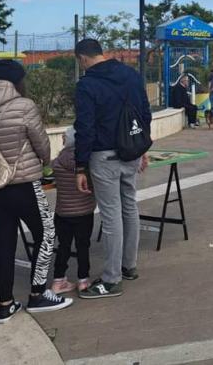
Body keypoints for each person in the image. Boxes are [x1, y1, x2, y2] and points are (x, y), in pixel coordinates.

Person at [0, 59, 72, 323]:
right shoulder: (24, 105)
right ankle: (37, 294)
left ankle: (5, 305)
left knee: (3, 242)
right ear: (18, 79)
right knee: (46, 234)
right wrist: (46, 162)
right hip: (24, 183)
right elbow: (41, 144)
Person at [74, 39, 151, 299]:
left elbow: (84, 128)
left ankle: (111, 279)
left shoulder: (87, 84)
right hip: (131, 151)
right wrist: (143, 147)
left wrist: (79, 166)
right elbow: (144, 112)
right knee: (129, 206)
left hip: (103, 155)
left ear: (82, 59)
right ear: (102, 53)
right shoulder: (131, 75)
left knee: (111, 215)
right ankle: (129, 266)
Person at [51, 127, 95, 295]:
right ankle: (83, 280)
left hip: (62, 213)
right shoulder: (87, 162)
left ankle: (58, 281)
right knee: (83, 246)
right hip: (84, 213)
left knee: (64, 246)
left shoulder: (57, 162)